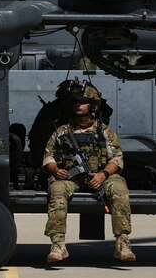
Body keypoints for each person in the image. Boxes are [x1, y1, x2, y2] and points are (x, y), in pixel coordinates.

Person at [42, 81, 135, 263]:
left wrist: (103, 175)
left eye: (83, 101)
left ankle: (122, 243)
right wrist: (56, 170)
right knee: (57, 189)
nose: (78, 105)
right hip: (72, 177)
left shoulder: (105, 132)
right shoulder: (62, 132)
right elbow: (48, 157)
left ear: (92, 104)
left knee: (118, 188)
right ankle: (58, 244)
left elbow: (117, 158)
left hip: (100, 176)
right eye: (75, 102)